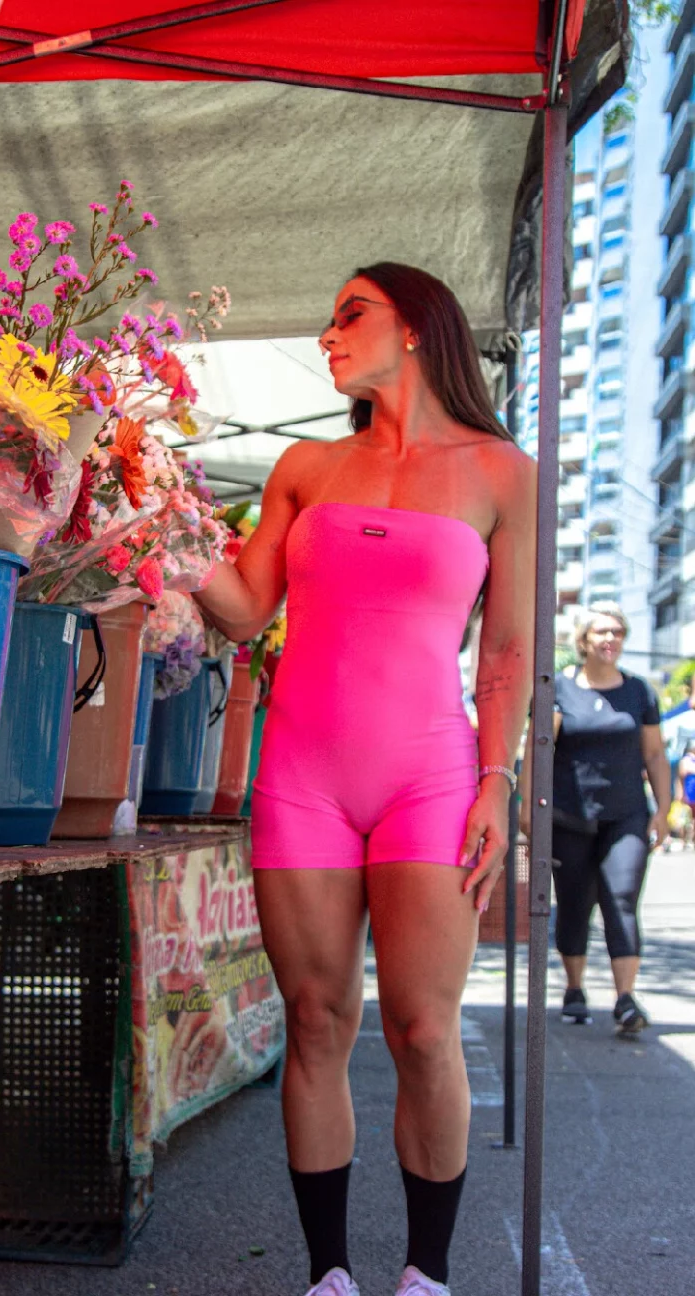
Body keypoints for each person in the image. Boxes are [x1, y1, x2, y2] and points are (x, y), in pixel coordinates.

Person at [195, 263, 535, 1296]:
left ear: (419, 330)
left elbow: (510, 651)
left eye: (352, 313)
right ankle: (328, 1276)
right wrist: (157, 520)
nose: (328, 332)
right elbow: (246, 609)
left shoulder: (501, 472)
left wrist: (497, 780)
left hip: (435, 777)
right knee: (314, 1016)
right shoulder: (304, 466)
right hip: (301, 774)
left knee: (425, 1029)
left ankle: (425, 1275)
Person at [518, 603, 670, 1037]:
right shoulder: (559, 690)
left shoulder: (639, 692)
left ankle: (625, 1000)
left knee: (621, 898)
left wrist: (662, 808)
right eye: (603, 632)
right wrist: (529, 803)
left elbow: (655, 754)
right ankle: (575, 988)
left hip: (625, 815)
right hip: (569, 815)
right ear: (584, 640)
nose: (612, 639)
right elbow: (539, 747)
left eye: (618, 632)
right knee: (574, 904)